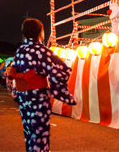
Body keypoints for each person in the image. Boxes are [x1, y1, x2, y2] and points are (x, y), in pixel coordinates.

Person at [11, 18, 76, 152]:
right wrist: (58, 86)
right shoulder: (41, 50)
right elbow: (61, 70)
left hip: (23, 96)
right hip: (37, 95)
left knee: (29, 130)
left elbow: (15, 71)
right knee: (40, 132)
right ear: (40, 33)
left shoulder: (20, 50)